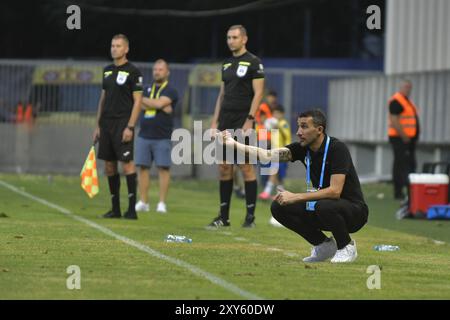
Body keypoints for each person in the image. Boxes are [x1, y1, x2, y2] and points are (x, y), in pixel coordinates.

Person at [219, 109, 369, 263]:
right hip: (323, 207)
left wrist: (296, 197)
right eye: (298, 126)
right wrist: (233, 143)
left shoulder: (337, 149)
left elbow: (335, 192)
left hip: (354, 212)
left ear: (319, 130)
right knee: (279, 207)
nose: (298, 132)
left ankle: (346, 246)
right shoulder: (302, 149)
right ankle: (323, 245)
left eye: (304, 127)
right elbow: (266, 155)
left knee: (324, 205)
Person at [208, 25, 265, 228]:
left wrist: (250, 119)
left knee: (245, 167)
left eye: (234, 37)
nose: (230, 41)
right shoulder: (226, 64)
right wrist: (215, 121)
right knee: (224, 167)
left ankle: (250, 217)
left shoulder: (254, 62)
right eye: (228, 37)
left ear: (244, 39)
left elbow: (258, 93)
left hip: (243, 120)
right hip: (225, 121)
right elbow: (222, 95)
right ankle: (224, 217)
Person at [93, 34, 143, 220]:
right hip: (106, 124)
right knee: (109, 165)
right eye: (112, 45)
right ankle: (115, 209)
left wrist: (130, 127)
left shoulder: (133, 72)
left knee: (127, 164)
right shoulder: (106, 71)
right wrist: (98, 125)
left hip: (123, 123)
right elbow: (103, 99)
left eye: (118, 46)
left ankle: (131, 209)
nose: (114, 48)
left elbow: (138, 102)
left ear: (126, 49)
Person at [135, 59, 178, 214]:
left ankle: (161, 203)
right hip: (144, 134)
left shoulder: (171, 90)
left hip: (162, 135)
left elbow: (160, 104)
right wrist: (155, 104)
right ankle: (143, 201)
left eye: (160, 69)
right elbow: (143, 104)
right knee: (143, 168)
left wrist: (145, 102)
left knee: (163, 168)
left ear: (167, 72)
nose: (157, 72)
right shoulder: (146, 88)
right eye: (155, 69)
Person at [388, 79, 420, 200]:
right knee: (400, 165)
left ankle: (409, 190)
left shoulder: (407, 102)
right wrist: (404, 135)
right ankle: (398, 192)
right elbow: (394, 120)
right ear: (400, 87)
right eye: (406, 87)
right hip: (400, 139)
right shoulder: (396, 101)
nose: (408, 89)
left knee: (410, 164)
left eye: (409, 87)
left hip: (408, 140)